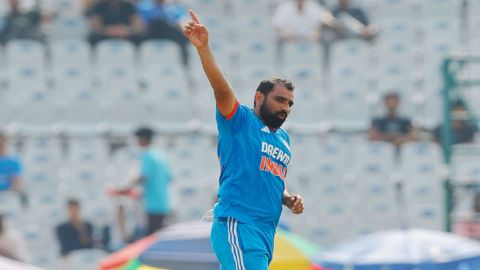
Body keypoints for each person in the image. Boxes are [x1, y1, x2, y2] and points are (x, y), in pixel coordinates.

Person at [184, 10, 304, 269]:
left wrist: (286, 197)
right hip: (239, 224)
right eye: (280, 100)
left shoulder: (282, 138)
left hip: (264, 232)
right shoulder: (240, 121)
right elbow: (221, 89)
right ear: (259, 97)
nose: (286, 107)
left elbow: (269, 176)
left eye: (290, 103)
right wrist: (204, 49)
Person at [118, 127, 172, 235]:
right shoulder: (161, 156)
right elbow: (169, 177)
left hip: (153, 204)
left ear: (143, 139)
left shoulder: (147, 156)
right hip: (164, 203)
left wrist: (125, 188)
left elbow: (143, 176)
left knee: (151, 238)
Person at [137, 0, 190, 66]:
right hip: (150, 33)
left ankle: (184, 64)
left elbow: (183, 24)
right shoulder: (143, 6)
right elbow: (139, 25)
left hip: (170, 33)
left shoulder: (177, 8)